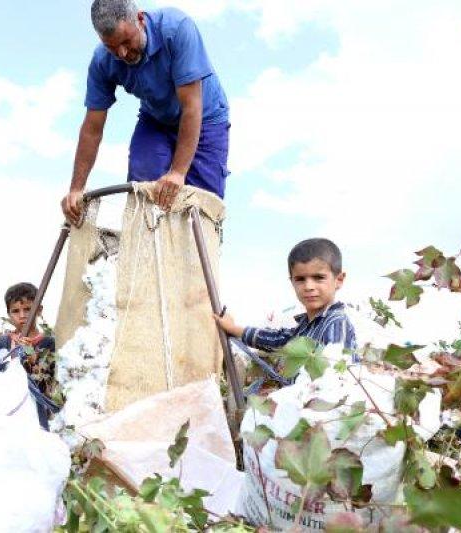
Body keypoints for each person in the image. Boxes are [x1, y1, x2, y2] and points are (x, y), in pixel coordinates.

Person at [61, 0, 230, 223]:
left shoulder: (177, 29)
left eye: (126, 41)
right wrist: (76, 188)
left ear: (140, 20)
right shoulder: (102, 61)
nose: (122, 53)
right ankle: (144, 251)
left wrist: (178, 173)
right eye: (112, 47)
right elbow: (92, 128)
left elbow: (191, 107)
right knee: (143, 185)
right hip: (156, 119)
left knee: (200, 204)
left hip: (205, 117)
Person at [215, 238, 357, 356]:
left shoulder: (336, 323)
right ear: (292, 282)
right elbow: (277, 340)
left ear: (339, 280)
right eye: (300, 279)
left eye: (318, 277)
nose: (308, 286)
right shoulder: (304, 327)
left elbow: (335, 379)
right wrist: (233, 328)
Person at [0, 282, 56, 428]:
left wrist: (30, 354)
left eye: (28, 309)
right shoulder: (4, 342)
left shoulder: (48, 343)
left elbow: (46, 382)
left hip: (35, 413)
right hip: (7, 411)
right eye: (15, 311)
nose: (22, 316)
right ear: (9, 314)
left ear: (39, 310)